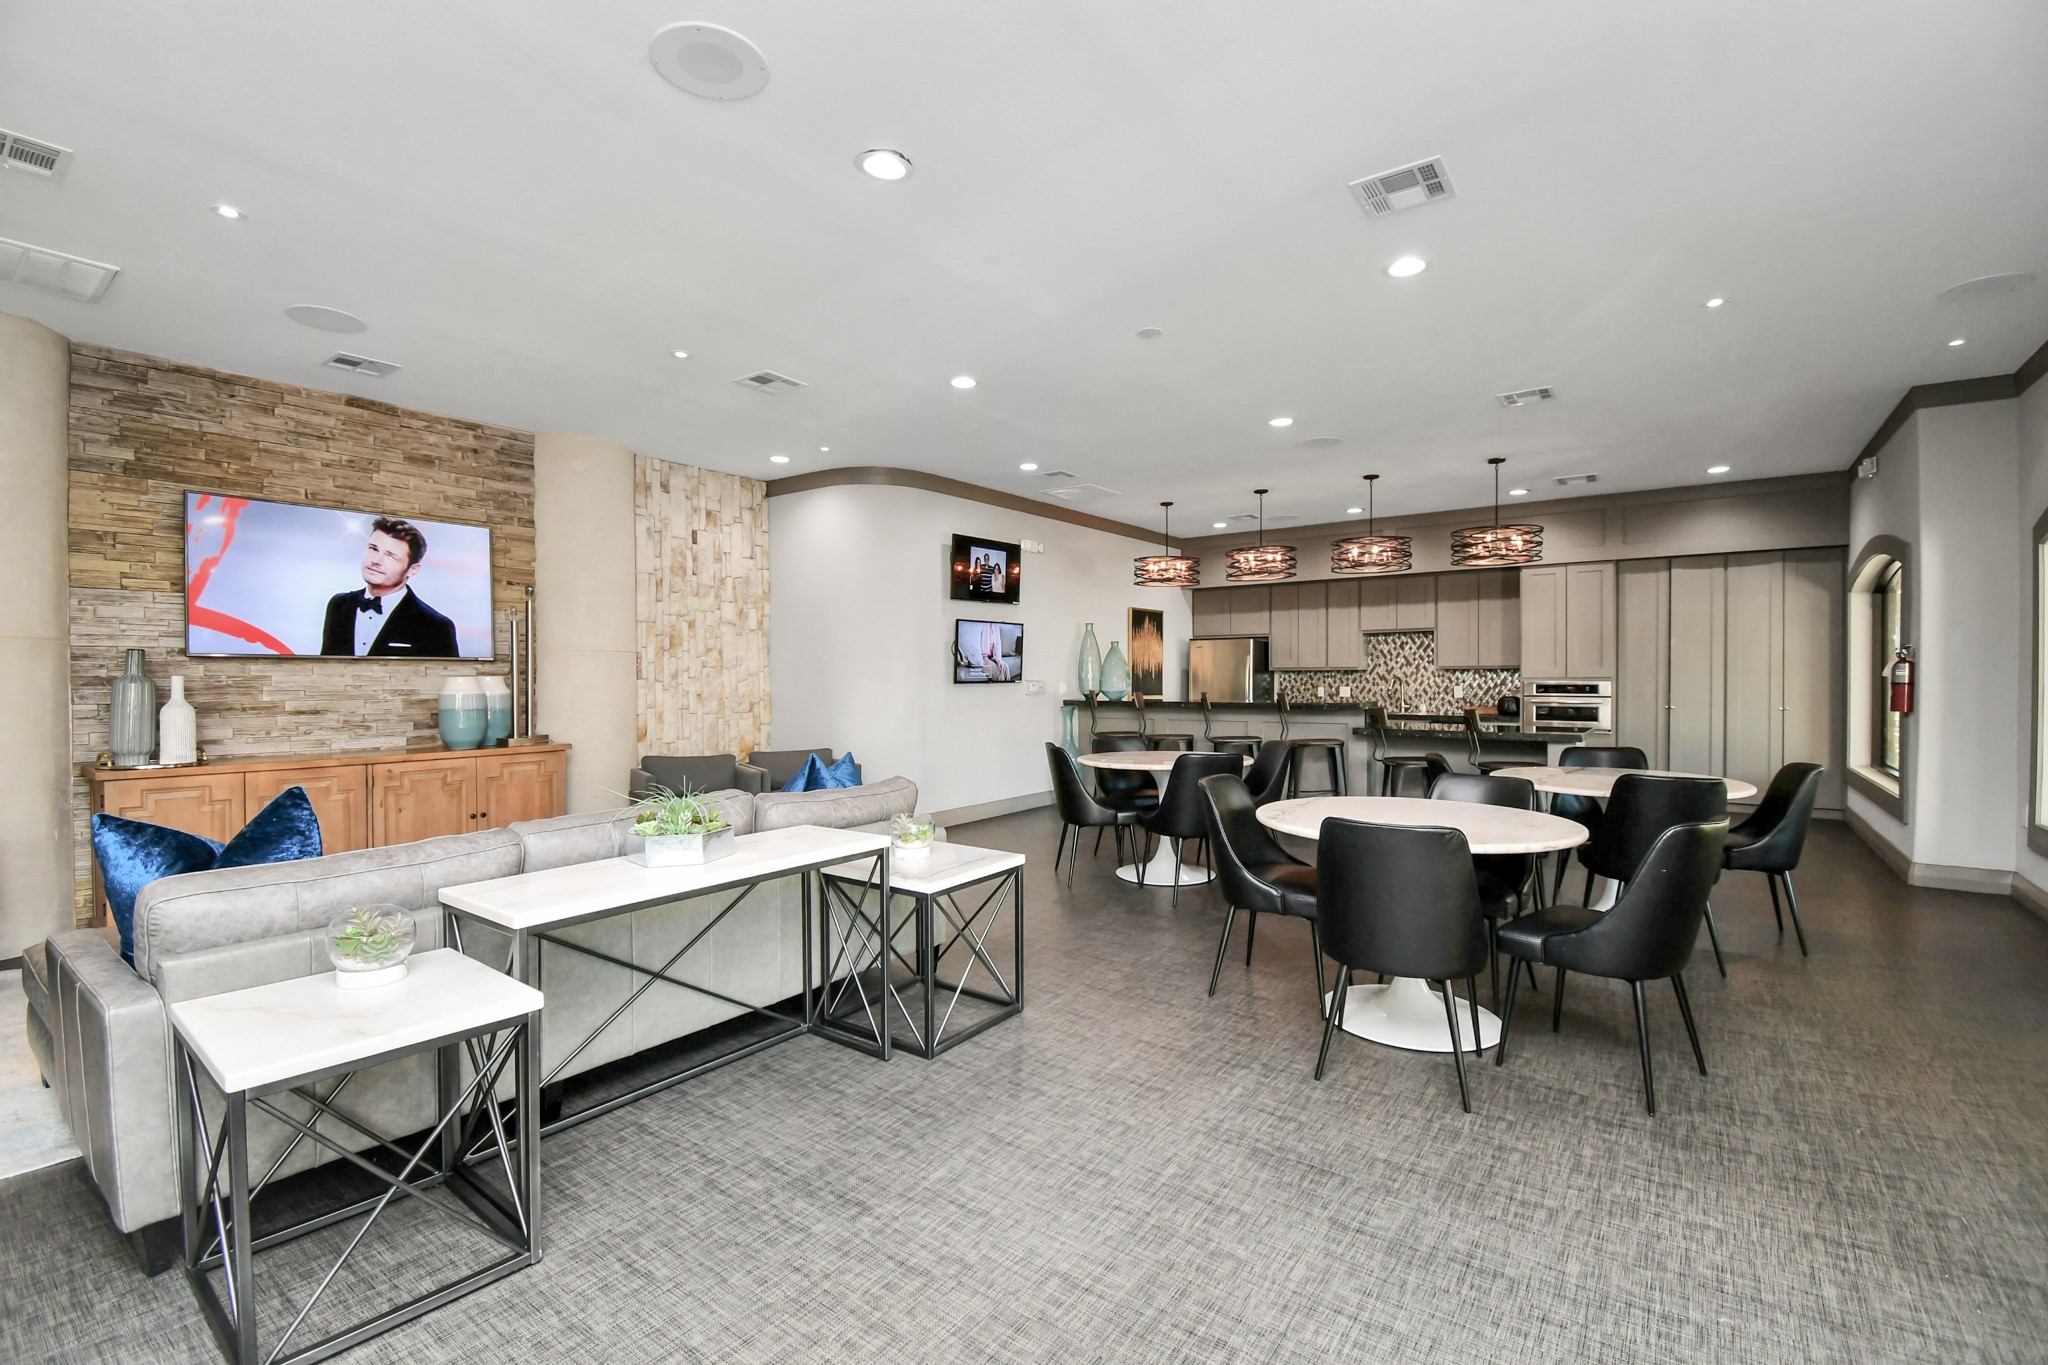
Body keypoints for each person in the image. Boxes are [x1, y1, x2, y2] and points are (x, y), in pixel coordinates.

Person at [320, 516, 460, 656]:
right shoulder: (339, 604)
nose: (375, 560)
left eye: (390, 556)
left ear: (413, 570)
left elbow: (445, 676)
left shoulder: (436, 626)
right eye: (374, 549)